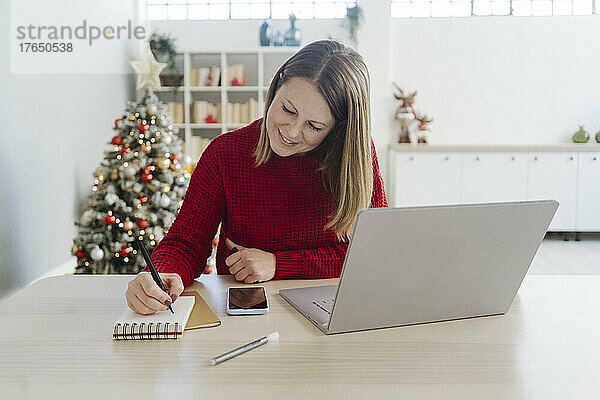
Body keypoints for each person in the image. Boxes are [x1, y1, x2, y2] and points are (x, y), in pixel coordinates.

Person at [125, 39, 388, 315]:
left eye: (314, 126)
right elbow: (186, 242)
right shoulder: (225, 154)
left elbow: (373, 254)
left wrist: (277, 264)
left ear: (339, 128)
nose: (292, 131)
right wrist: (164, 274)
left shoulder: (356, 157)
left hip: (335, 313)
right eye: (288, 109)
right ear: (275, 89)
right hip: (247, 313)